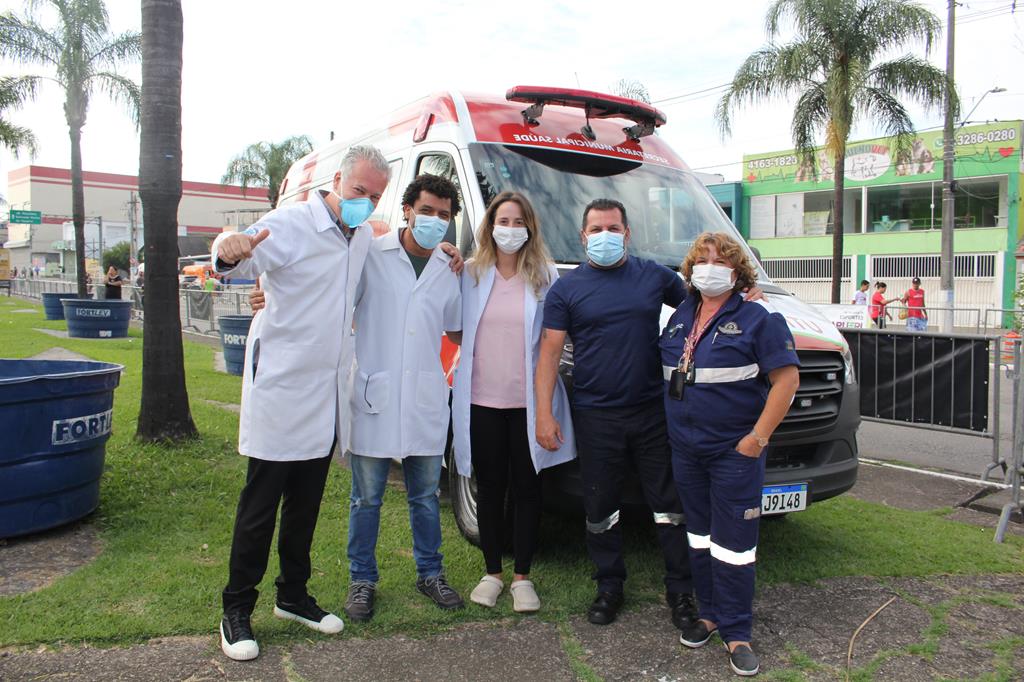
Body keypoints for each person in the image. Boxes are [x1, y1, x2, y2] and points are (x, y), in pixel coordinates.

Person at [210, 145, 392, 662]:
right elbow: (234, 251)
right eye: (359, 192)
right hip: (282, 388)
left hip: (326, 394)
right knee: (260, 505)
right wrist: (231, 246)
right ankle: (236, 608)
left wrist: (446, 251)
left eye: (375, 196)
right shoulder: (290, 224)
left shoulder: (360, 239)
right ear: (338, 180)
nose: (366, 203)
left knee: (306, 504)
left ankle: (293, 595)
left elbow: (393, 247)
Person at [534, 198, 697, 629]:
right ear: (583, 236)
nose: (605, 236)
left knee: (669, 505)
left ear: (626, 233)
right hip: (595, 415)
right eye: (596, 229)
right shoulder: (566, 289)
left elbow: (703, 304)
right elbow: (549, 353)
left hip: (650, 413)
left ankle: (681, 592)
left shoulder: (653, 276)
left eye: (613, 228)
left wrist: (744, 290)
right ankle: (609, 587)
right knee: (600, 506)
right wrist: (543, 416)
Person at [661, 232, 800, 678]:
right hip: (686, 450)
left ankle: (737, 631)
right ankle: (710, 614)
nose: (709, 265)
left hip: (733, 452)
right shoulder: (682, 315)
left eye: (720, 259)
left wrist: (756, 439)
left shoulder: (760, 318)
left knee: (735, 546)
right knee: (699, 536)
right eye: (701, 259)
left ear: (738, 271)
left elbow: (786, 382)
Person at [343, 174, 466, 622]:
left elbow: (456, 328)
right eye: (427, 211)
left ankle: (430, 573)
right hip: (375, 395)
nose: (435, 221)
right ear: (407, 210)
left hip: (425, 399)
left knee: (426, 496)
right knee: (366, 498)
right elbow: (337, 303)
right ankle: (362, 580)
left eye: (444, 215)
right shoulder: (372, 256)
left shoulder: (448, 268)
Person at [451, 192, 575, 613]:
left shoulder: (545, 275)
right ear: (490, 227)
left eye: (518, 221)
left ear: (530, 229)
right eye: (503, 220)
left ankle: (522, 577)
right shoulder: (469, 274)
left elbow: (554, 340)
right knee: (489, 488)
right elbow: (454, 331)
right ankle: (492, 573)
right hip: (482, 400)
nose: (510, 229)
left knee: (527, 488)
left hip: (528, 402)